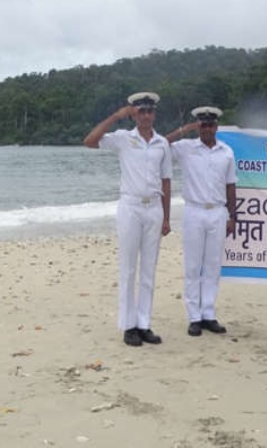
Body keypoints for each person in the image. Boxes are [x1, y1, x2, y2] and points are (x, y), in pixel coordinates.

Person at [83, 92, 172, 347]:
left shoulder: (161, 143)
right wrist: (115, 116)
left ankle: (144, 323)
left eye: (149, 111)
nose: (145, 116)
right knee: (128, 268)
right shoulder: (123, 139)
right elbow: (89, 141)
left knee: (148, 270)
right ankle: (128, 326)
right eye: (140, 111)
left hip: (153, 208)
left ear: (154, 114)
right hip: (130, 207)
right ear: (134, 114)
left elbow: (166, 180)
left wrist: (166, 217)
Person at [165, 106, 237, 337]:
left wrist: (232, 215)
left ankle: (209, 314)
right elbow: (161, 144)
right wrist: (184, 130)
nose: (206, 129)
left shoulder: (226, 152)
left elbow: (231, 186)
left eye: (210, 125)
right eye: (202, 125)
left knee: (213, 266)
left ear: (216, 127)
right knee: (193, 266)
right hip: (194, 212)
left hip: (217, 212)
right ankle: (194, 317)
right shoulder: (186, 148)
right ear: (198, 126)